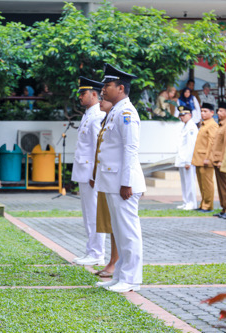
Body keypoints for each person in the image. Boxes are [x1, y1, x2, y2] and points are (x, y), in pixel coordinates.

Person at [94, 64, 146, 293]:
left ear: (121, 88)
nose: (103, 90)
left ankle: (132, 279)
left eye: (107, 86)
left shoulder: (127, 113)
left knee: (128, 231)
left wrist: (127, 183)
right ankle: (121, 275)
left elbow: (130, 149)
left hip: (123, 183)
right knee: (119, 230)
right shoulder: (116, 110)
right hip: (114, 182)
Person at [71, 77, 106, 266]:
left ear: (94, 94)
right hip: (84, 172)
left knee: (94, 214)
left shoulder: (98, 115)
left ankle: (97, 253)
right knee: (88, 214)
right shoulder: (88, 114)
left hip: (90, 173)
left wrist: (95, 174)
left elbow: (97, 149)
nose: (80, 97)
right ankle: (91, 250)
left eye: (83, 93)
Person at [91, 98, 119, 277]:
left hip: (115, 180)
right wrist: (95, 174)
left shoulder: (120, 116)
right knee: (109, 223)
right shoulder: (107, 119)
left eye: (104, 98)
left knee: (116, 224)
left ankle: (115, 263)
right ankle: (113, 261)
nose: (100, 101)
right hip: (105, 178)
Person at [191, 102, 218, 213]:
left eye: (205, 111)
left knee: (207, 183)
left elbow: (212, 143)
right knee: (202, 183)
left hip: (205, 159)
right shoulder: (203, 124)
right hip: (199, 158)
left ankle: (208, 205)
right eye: (202, 111)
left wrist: (209, 158)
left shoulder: (212, 125)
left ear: (212, 113)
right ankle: (203, 204)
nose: (203, 113)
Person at [208, 102, 226, 219]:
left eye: (221, 111)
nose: (218, 113)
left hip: (222, 160)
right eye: (218, 111)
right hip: (217, 160)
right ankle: (224, 208)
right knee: (221, 186)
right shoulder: (221, 125)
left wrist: (222, 160)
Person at [175, 106, 198, 210]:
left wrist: (189, 161)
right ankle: (186, 201)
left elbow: (191, 145)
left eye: (184, 115)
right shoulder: (184, 126)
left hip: (187, 160)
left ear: (190, 115)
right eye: (181, 115)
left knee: (190, 183)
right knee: (184, 183)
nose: (181, 117)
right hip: (182, 159)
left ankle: (192, 203)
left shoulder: (191, 127)